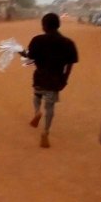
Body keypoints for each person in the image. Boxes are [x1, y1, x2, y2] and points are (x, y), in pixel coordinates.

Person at [21, 13, 79, 148]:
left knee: (36, 95)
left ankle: (36, 112)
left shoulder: (37, 40)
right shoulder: (68, 43)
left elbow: (29, 58)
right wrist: (65, 79)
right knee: (50, 106)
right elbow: (70, 63)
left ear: (44, 26)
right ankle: (45, 132)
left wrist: (20, 52)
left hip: (40, 76)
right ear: (58, 25)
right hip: (56, 78)